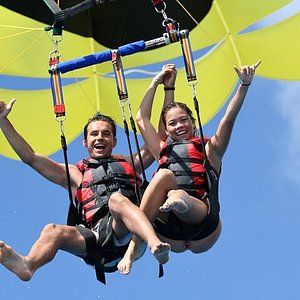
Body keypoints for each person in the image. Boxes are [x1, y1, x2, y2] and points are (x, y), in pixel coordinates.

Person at [0, 102, 170, 283]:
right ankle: (27, 265)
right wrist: (3, 121)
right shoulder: (75, 174)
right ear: (85, 141)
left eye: (106, 134)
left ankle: (154, 244)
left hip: (133, 236)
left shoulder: (131, 163)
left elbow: (160, 136)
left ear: (114, 141)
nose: (100, 138)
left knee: (117, 200)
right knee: (52, 230)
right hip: (98, 242)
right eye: (94, 134)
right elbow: (30, 157)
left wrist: (168, 88)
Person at [117, 61, 261, 275]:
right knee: (164, 175)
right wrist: (156, 83)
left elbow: (228, 120)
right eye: (173, 124)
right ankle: (137, 247)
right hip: (168, 235)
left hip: (204, 224)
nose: (180, 126)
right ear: (166, 129)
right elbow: (141, 118)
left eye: (184, 120)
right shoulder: (161, 149)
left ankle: (178, 201)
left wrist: (244, 85)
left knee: (176, 193)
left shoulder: (210, 149)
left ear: (193, 123)